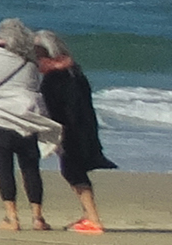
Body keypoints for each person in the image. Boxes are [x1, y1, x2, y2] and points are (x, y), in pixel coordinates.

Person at [0, 19, 67, 232]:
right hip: (27, 120)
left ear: (0, 38)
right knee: (31, 169)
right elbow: (34, 87)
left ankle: (12, 218)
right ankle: (38, 218)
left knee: (4, 169)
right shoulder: (30, 63)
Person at [36, 30, 114, 234]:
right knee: (72, 170)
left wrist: (58, 130)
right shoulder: (74, 72)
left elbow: (61, 107)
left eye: (37, 57)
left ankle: (94, 220)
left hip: (71, 127)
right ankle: (89, 216)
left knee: (73, 171)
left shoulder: (56, 78)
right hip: (84, 124)